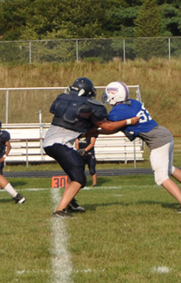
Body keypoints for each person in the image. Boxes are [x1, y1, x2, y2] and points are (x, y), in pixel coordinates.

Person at [44, 77, 137, 217]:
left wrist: (90, 130)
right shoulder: (88, 106)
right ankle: (59, 210)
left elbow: (76, 123)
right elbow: (107, 126)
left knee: (77, 167)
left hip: (50, 142)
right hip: (60, 144)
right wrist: (130, 121)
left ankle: (71, 203)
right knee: (80, 179)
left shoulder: (64, 100)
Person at [104, 81, 181, 212]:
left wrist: (95, 131)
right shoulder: (134, 102)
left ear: (114, 95)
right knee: (170, 168)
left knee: (161, 177)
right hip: (164, 133)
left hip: (158, 141)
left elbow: (110, 127)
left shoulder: (117, 112)